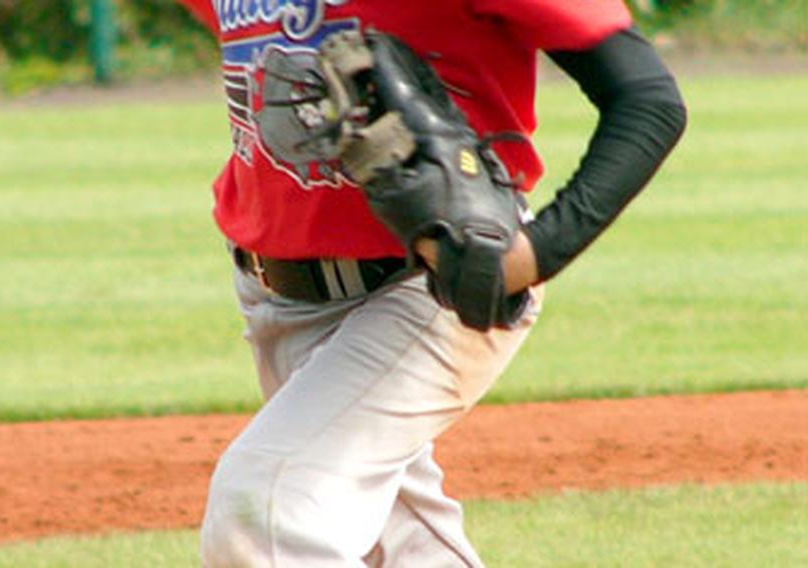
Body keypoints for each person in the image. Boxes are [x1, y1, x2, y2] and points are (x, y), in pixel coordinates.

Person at [180, 1, 687, 565]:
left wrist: (536, 253)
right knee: (404, 546)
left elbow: (649, 100)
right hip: (274, 295)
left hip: (429, 289)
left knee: (268, 511)